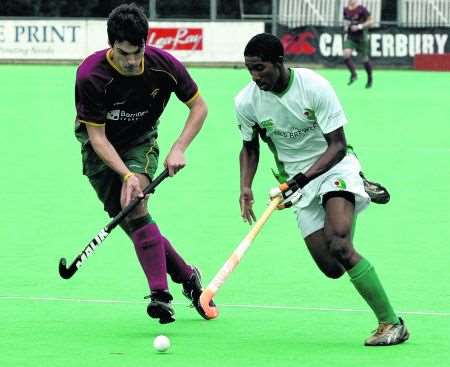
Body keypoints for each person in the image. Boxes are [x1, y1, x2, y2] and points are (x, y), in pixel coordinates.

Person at [235, 33, 409, 346]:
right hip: (298, 184)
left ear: (279, 62)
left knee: (340, 243)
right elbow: (249, 147)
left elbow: (338, 146)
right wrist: (245, 185)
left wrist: (301, 179)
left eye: (260, 68)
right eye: (249, 69)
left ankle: (391, 323)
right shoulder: (246, 101)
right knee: (332, 267)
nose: (254, 76)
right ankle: (359, 191)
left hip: (333, 167)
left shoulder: (314, 87)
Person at [74, 3, 213, 324]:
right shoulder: (90, 75)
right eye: (124, 54)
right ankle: (188, 277)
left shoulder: (162, 65)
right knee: (133, 222)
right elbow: (96, 137)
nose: (133, 61)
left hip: (141, 141)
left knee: (135, 209)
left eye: (138, 52)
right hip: (100, 149)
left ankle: (160, 296)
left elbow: (200, 107)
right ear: (112, 46)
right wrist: (124, 175)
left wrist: (179, 147)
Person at [343, 0, 374, 88]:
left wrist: (359, 26)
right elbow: (346, 21)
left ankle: (370, 77)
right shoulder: (345, 10)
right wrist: (347, 26)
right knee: (346, 55)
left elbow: (371, 21)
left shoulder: (362, 9)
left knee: (364, 59)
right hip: (351, 37)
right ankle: (354, 74)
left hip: (361, 37)